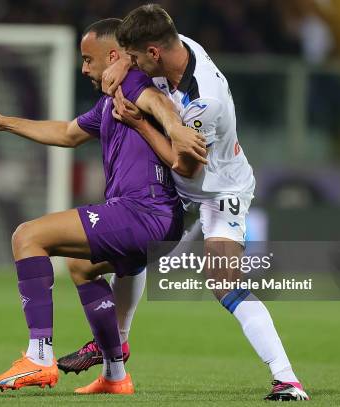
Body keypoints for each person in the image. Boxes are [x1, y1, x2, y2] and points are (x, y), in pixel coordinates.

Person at [70, 4, 309, 401]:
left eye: (133, 57)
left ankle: (287, 379)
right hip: (179, 192)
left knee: (223, 282)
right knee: (129, 252)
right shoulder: (177, 45)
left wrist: (140, 124)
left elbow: (186, 166)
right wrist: (120, 67)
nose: (129, 63)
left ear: (154, 54)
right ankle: (115, 360)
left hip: (218, 193)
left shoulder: (204, 101)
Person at [0, 17, 201, 395]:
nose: (83, 68)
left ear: (114, 55)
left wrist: (174, 128)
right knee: (81, 266)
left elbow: (156, 102)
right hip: (157, 221)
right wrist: (4, 122)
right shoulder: (109, 102)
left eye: (88, 59)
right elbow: (67, 132)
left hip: (144, 212)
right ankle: (114, 374)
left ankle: (39, 357)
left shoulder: (131, 82)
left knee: (28, 236)